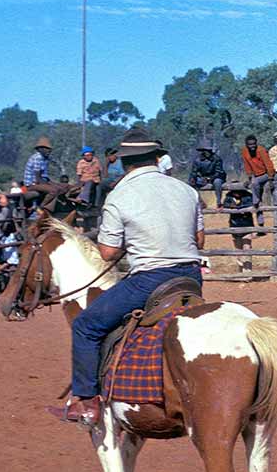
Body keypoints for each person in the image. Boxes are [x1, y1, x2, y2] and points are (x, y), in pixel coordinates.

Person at [62, 128, 204, 424]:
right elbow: (199, 240)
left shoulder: (120, 195)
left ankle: (86, 400)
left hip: (149, 281)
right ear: (156, 157)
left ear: (124, 162)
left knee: (86, 325)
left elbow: (108, 254)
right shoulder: (187, 191)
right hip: (191, 278)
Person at [23, 137, 71, 212]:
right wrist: (52, 185)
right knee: (54, 190)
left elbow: (44, 177)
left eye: (49, 149)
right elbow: (38, 178)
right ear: (40, 149)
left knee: (66, 186)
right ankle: (42, 207)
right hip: (32, 184)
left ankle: (59, 207)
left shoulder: (45, 158)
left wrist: (54, 183)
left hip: (41, 181)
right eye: (46, 148)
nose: (49, 150)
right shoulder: (37, 158)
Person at [240, 135, 275, 216]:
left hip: (265, 174)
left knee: (255, 183)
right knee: (254, 184)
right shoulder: (244, 151)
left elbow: (268, 164)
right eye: (250, 144)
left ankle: (255, 201)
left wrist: (270, 177)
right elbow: (247, 165)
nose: (252, 146)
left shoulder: (261, 150)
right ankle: (260, 221)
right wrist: (249, 176)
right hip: (256, 175)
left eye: (254, 144)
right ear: (246, 145)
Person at [222, 187, 254, 273]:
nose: (236, 193)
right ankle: (240, 271)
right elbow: (225, 205)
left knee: (247, 248)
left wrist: (238, 208)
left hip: (247, 225)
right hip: (234, 225)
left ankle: (247, 272)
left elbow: (251, 204)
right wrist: (231, 207)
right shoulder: (229, 197)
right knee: (238, 250)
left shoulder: (247, 196)